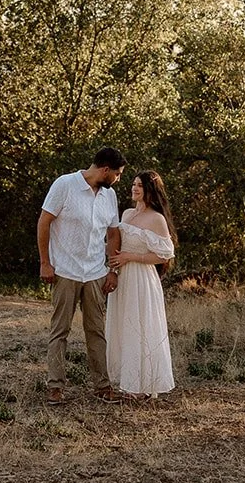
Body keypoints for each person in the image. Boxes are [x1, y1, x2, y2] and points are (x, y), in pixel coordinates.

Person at [38, 146, 126, 405]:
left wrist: (112, 270)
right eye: (118, 175)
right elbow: (44, 222)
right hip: (65, 271)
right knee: (60, 330)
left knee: (96, 331)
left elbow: (112, 234)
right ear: (105, 170)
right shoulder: (64, 185)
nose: (118, 180)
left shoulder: (108, 196)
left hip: (96, 273)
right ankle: (55, 387)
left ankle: (102, 386)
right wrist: (45, 263)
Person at [105, 170, 177, 399]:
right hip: (122, 276)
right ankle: (126, 381)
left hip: (141, 277)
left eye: (140, 186)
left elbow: (165, 255)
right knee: (123, 326)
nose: (134, 188)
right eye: (134, 184)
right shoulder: (126, 214)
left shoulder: (157, 218)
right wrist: (114, 268)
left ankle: (140, 386)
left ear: (150, 190)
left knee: (139, 326)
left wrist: (131, 257)